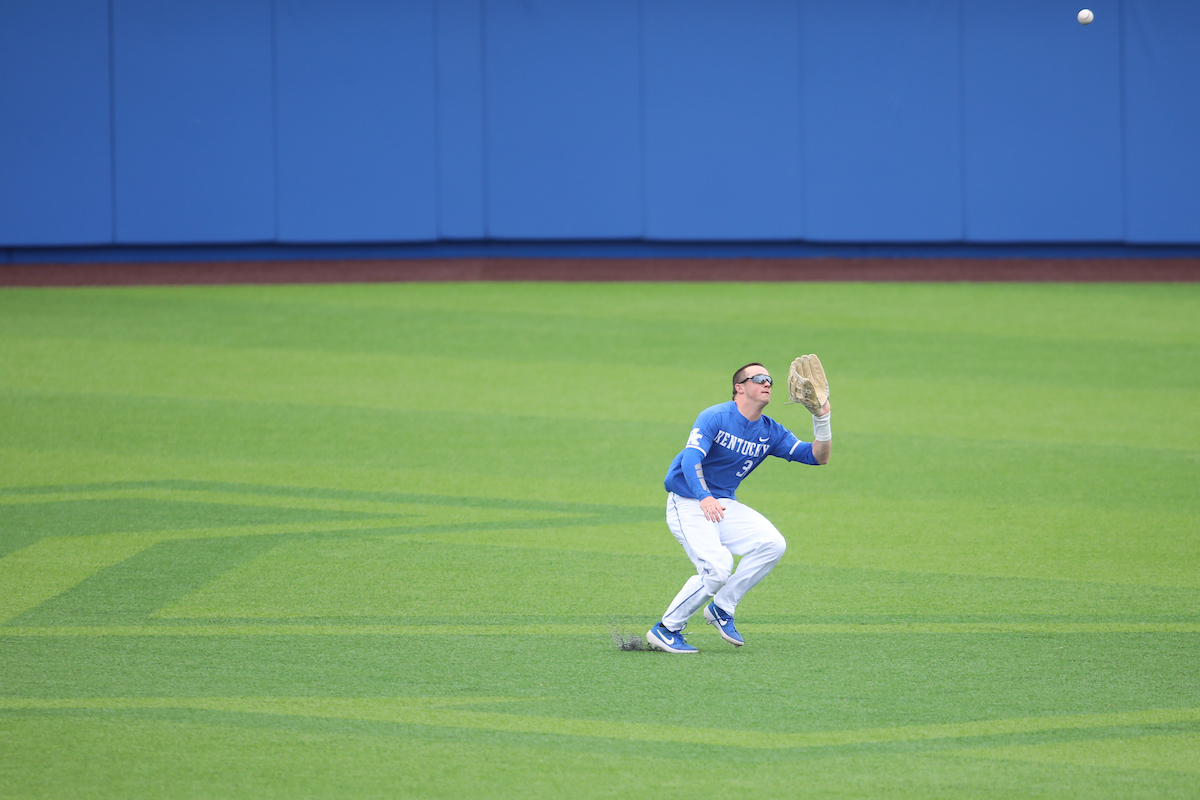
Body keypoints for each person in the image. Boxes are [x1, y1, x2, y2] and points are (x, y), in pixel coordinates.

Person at [646, 362, 832, 653]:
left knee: (772, 544)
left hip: (722, 504)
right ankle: (667, 628)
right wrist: (703, 495)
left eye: (769, 379)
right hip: (688, 501)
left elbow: (817, 457)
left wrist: (822, 418)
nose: (767, 382)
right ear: (739, 387)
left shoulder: (771, 432)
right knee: (717, 570)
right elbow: (690, 458)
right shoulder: (715, 416)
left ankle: (722, 607)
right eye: (759, 378)